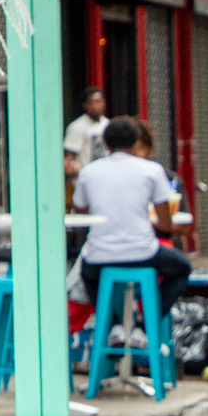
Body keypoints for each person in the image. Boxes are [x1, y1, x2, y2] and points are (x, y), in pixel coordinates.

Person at [73, 116, 193, 302]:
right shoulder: (152, 170)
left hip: (98, 257)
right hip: (142, 254)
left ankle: (112, 324)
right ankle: (145, 325)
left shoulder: (88, 172)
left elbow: (81, 214)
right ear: (136, 142)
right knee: (182, 267)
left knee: (87, 274)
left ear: (105, 143)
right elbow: (165, 224)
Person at [63, 85, 109, 175]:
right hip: (86, 176)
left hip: (106, 175)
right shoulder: (77, 126)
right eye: (91, 103)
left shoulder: (108, 124)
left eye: (98, 102)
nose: (95, 106)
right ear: (85, 105)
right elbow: (69, 156)